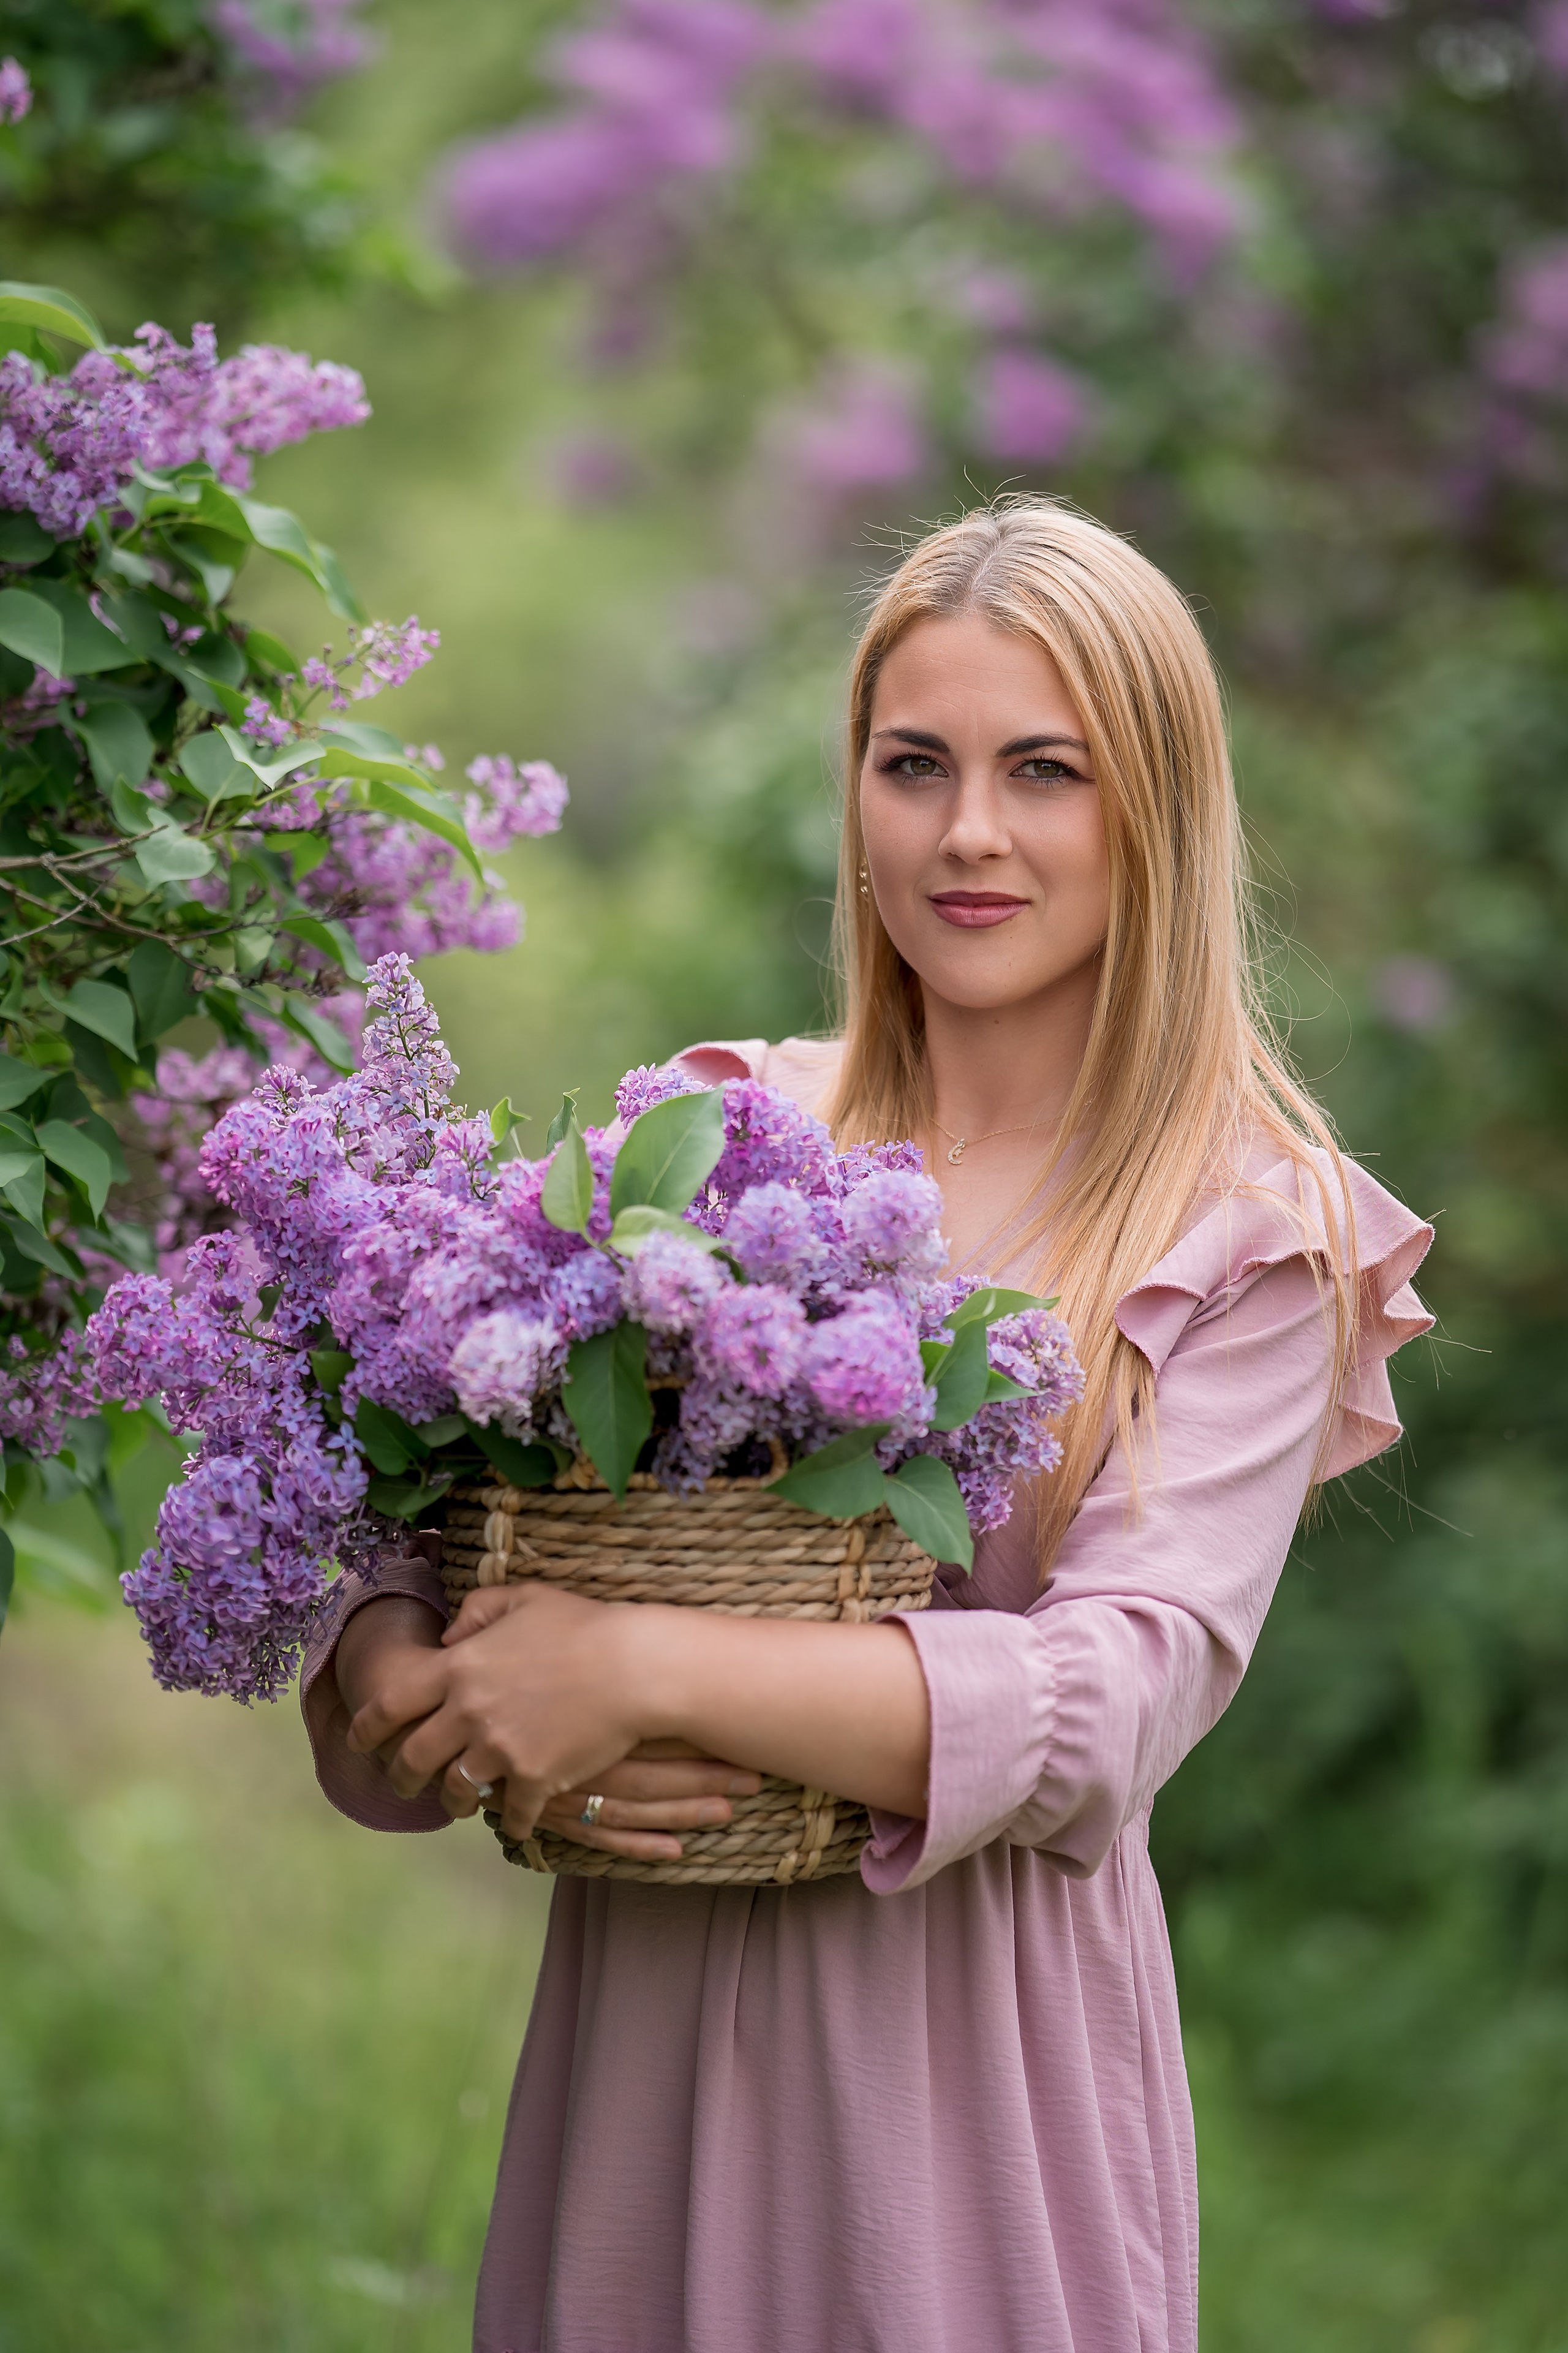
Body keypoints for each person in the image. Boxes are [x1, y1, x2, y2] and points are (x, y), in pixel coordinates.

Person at [302, 502, 1433, 2353]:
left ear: (1156, 803)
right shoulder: (713, 1132)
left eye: (1043, 770)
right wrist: (421, 1679)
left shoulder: (1246, 1225)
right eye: (916, 764)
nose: (967, 831)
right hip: (641, 2067)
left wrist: (640, 1662)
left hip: (966, 2100)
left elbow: (1110, 1703)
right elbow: (431, 1537)